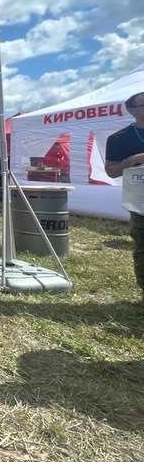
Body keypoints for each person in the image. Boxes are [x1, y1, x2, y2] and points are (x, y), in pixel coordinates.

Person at [105, 91, 144, 303]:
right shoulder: (119, 139)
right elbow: (111, 171)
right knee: (142, 247)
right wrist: (131, 161)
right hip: (140, 202)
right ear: (132, 111)